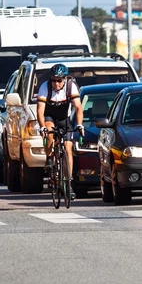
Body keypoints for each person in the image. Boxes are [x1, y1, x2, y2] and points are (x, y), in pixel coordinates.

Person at [36, 64, 84, 194]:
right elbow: (40, 110)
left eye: (59, 80)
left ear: (65, 79)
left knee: (68, 148)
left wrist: (79, 124)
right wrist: (42, 127)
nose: (56, 83)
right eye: (53, 80)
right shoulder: (45, 87)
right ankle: (49, 157)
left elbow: (78, 108)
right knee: (49, 131)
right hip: (49, 116)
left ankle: (68, 182)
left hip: (64, 118)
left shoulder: (70, 86)